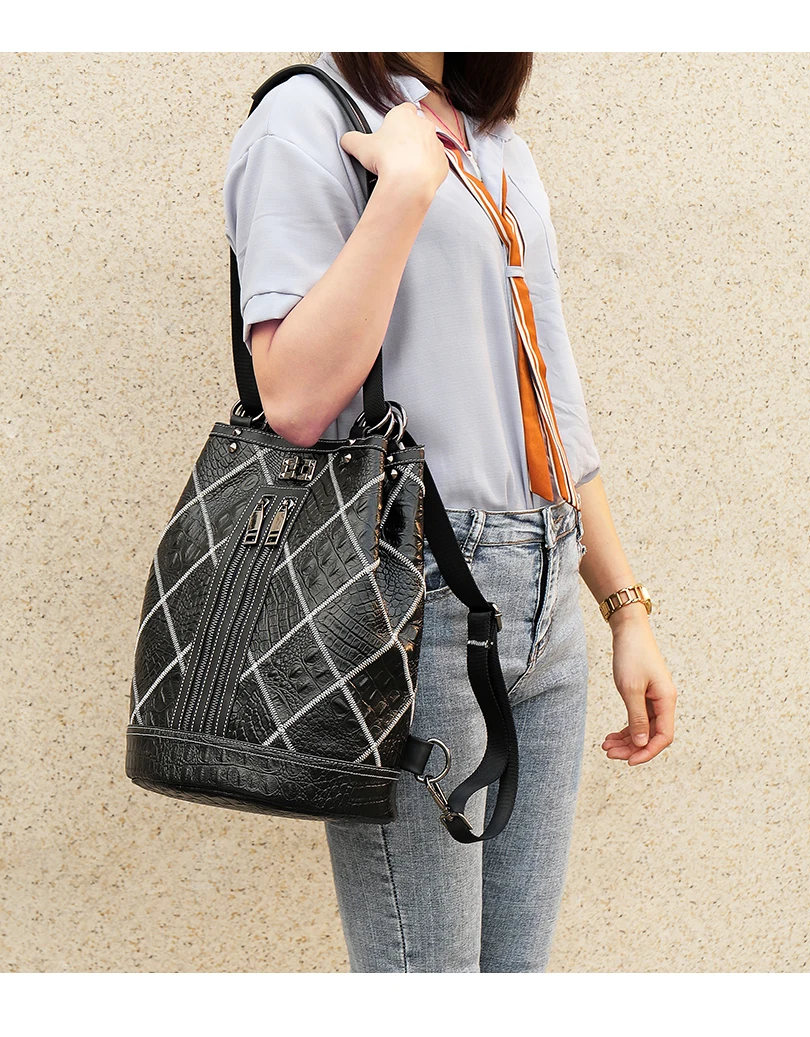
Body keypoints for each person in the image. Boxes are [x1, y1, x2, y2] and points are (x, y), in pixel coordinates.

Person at [223, 51, 678, 973]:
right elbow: (294, 399)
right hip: (415, 593)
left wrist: (624, 605)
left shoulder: (497, 140)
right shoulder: (308, 117)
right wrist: (403, 190)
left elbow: (550, 399)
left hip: (548, 586)